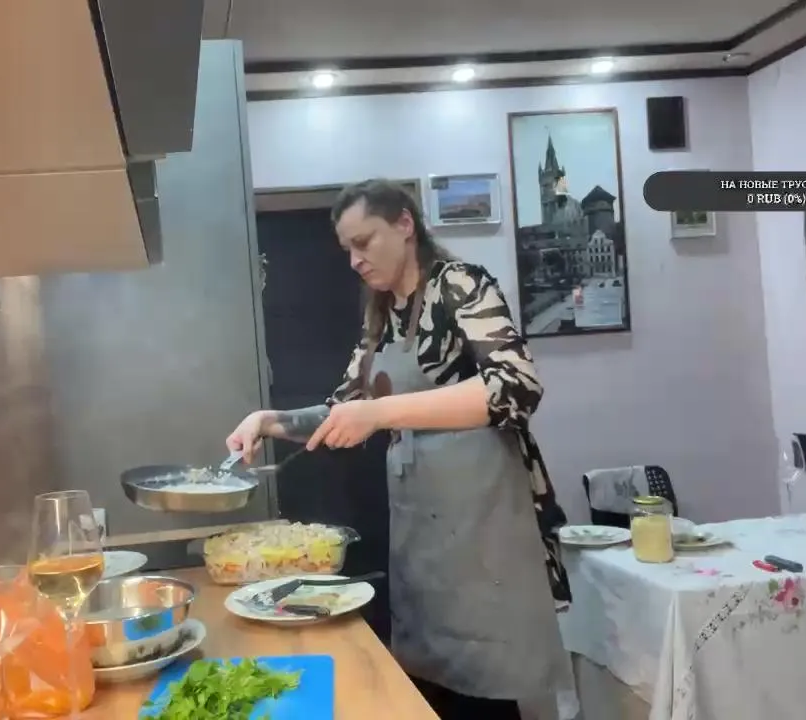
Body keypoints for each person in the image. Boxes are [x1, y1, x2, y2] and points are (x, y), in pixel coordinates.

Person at [226, 179, 571, 720]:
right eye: (347, 249)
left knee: (484, 704)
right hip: (423, 540)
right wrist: (268, 421)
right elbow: (343, 409)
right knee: (429, 698)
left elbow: (516, 385)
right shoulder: (380, 317)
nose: (354, 261)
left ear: (405, 225)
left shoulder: (460, 284)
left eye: (364, 242)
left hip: (483, 536)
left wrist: (382, 412)